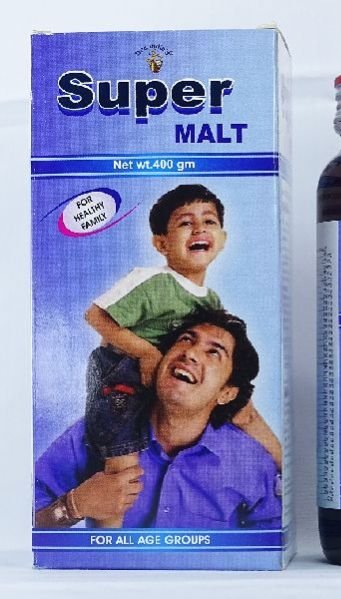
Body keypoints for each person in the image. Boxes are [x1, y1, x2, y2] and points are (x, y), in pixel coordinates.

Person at [84, 185, 281, 526]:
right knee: (123, 468)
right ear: (161, 244)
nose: (199, 229)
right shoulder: (152, 281)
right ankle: (110, 541)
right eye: (186, 223)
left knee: (241, 409)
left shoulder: (211, 301)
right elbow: (96, 316)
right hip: (122, 376)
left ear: (222, 239)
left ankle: (283, 465)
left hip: (165, 382)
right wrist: (146, 353)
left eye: (209, 222)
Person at [35, 309, 282, 529]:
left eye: (214, 352)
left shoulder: (253, 464)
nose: (191, 353)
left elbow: (271, 545)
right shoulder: (94, 432)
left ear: (227, 393)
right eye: (186, 339)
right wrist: (73, 506)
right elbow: (25, 523)